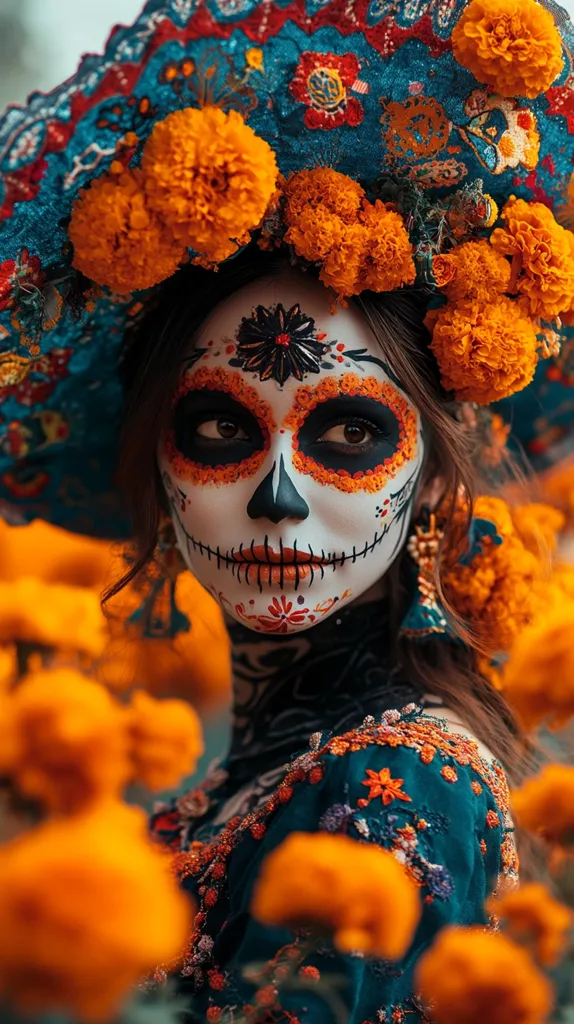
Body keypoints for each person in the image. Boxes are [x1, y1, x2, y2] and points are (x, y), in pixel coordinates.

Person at [0, 0, 573, 1020]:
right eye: (219, 430)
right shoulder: (237, 786)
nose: (275, 495)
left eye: (348, 434)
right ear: (157, 475)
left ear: (434, 481)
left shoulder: (398, 788)